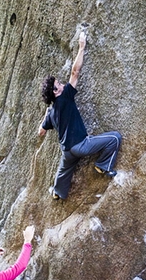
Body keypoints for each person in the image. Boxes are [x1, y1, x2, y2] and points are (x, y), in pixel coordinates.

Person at [39, 31, 122, 200]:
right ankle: (103, 165)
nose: (62, 84)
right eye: (58, 84)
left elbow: (40, 132)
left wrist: (47, 116)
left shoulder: (51, 112)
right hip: (80, 145)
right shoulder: (65, 97)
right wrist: (82, 47)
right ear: (56, 92)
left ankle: (57, 192)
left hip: (67, 152)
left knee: (64, 172)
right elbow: (75, 72)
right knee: (115, 138)